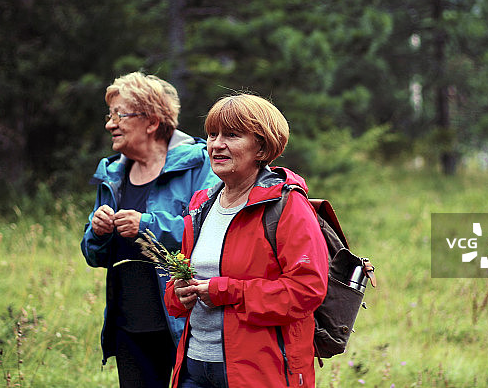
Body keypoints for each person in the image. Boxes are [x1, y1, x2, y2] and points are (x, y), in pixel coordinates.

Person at [164, 94, 329, 387]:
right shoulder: (201, 204)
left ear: (262, 147)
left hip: (259, 372)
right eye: (212, 135)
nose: (216, 144)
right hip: (194, 367)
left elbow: (307, 290)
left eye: (231, 135)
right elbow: (185, 285)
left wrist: (228, 291)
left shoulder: (286, 205)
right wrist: (178, 293)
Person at [81, 72, 220, 387]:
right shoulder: (112, 174)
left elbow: (209, 229)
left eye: (120, 115)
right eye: (110, 114)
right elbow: (94, 255)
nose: (110, 124)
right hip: (129, 323)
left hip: (185, 321)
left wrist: (146, 225)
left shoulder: (199, 165)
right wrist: (97, 232)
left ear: (152, 122)